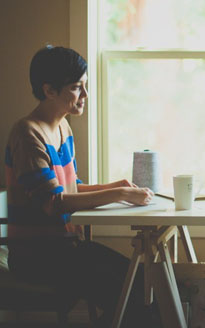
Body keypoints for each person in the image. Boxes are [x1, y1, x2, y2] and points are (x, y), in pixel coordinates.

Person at [4, 45, 159, 327]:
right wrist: (120, 193)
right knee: (133, 297)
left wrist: (119, 185)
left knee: (143, 285)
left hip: (66, 250)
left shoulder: (63, 128)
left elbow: (71, 188)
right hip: (36, 257)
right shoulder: (27, 134)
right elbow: (55, 203)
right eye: (77, 87)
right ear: (49, 90)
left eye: (84, 86)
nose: (85, 96)